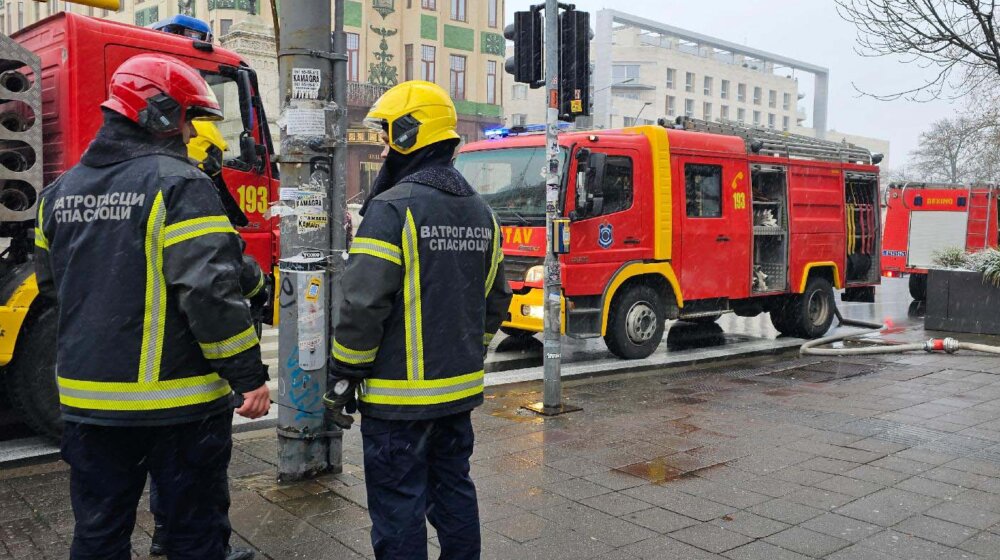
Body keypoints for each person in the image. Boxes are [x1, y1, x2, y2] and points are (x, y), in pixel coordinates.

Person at [34, 53, 270, 560]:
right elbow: (210, 291)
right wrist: (248, 375)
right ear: (159, 113)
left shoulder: (57, 194)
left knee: (98, 534)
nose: (190, 134)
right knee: (194, 536)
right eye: (187, 118)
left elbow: (54, 288)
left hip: (87, 403)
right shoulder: (179, 184)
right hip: (176, 404)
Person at [323, 80, 512, 560]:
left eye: (388, 137)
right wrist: (472, 351)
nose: (384, 148)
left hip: (397, 402)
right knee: (453, 494)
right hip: (457, 394)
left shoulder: (390, 210)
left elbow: (362, 305)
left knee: (399, 507)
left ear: (409, 135)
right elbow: (496, 299)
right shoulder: (482, 213)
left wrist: (345, 375)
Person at [147, 121, 267, 560]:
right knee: (195, 479)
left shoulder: (83, 186)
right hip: (180, 367)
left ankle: (163, 533)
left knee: (104, 516)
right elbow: (221, 277)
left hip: (101, 381)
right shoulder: (189, 191)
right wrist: (249, 376)